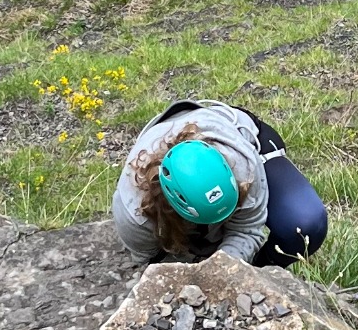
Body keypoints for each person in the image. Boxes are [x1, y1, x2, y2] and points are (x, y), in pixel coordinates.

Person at [113, 100, 328, 267]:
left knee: (305, 224)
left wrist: (226, 269)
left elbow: (246, 229)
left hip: (237, 131)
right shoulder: (135, 215)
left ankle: (263, 268)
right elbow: (150, 264)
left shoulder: (243, 166)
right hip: (162, 196)